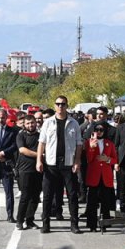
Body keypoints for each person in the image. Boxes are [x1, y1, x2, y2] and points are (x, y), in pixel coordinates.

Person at [37, 96, 82, 234]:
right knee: (48, 195)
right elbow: (42, 143)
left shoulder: (73, 123)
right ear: (55, 106)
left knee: (72, 195)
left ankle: (74, 224)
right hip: (51, 164)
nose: (60, 106)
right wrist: (39, 160)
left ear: (67, 105)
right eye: (58, 104)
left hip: (68, 163)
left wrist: (77, 161)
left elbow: (79, 144)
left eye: (63, 104)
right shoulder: (48, 123)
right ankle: (46, 223)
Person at [81, 120, 116, 230]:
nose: (99, 132)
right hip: (94, 175)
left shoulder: (109, 143)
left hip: (105, 175)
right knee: (92, 201)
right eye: (97, 130)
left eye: (101, 130)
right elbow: (89, 159)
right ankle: (91, 224)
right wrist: (91, 147)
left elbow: (115, 159)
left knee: (105, 200)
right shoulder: (88, 142)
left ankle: (105, 223)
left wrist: (107, 159)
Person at [15, 114, 42, 230]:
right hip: (24, 170)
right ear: (24, 125)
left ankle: (30, 220)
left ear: (36, 123)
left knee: (35, 197)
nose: (30, 125)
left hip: (38, 169)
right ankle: (20, 220)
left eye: (32, 123)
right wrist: (39, 155)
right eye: (28, 123)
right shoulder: (21, 135)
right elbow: (22, 150)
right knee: (25, 196)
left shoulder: (40, 135)